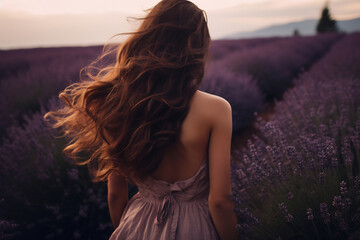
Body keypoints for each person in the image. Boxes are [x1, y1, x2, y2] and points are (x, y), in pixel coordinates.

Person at [45, 0, 237, 239]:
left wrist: (128, 230)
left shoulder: (119, 104)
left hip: (138, 224)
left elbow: (116, 195)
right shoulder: (217, 110)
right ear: (197, 47)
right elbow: (220, 202)